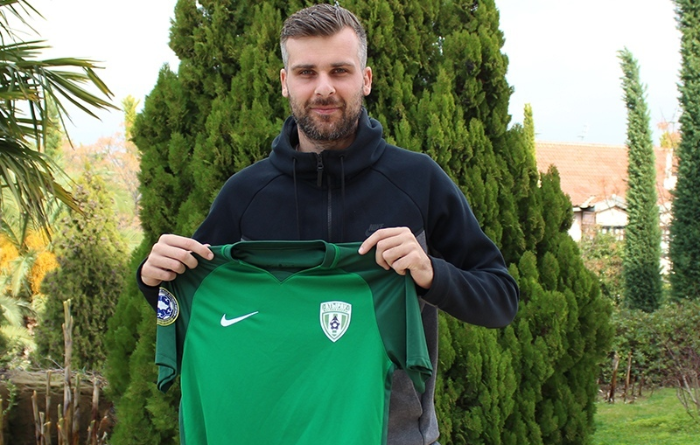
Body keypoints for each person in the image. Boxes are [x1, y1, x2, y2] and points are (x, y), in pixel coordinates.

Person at [138, 4, 519, 445]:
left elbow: (501, 299)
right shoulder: (245, 195)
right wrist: (154, 280)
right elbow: (195, 306)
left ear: (366, 79)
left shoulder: (418, 181)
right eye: (306, 72)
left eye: (340, 71)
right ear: (285, 82)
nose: (323, 88)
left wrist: (432, 274)